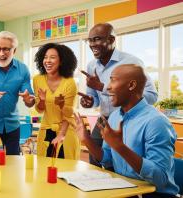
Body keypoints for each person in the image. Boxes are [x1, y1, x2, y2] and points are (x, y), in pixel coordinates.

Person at [74, 64, 179, 198]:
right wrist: (87, 140)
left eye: (113, 80)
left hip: (154, 195)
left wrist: (120, 147)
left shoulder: (156, 122)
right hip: (126, 191)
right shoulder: (114, 116)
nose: (107, 87)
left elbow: (160, 179)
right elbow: (108, 160)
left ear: (131, 85)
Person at [78, 23, 158, 168]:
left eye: (97, 39)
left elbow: (152, 96)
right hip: (103, 120)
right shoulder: (91, 66)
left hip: (126, 121)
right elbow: (94, 99)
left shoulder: (131, 62)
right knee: (94, 162)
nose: (92, 44)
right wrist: (88, 101)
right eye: (90, 40)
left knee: (119, 164)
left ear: (111, 40)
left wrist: (102, 87)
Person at [33, 43, 80, 159]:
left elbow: (68, 115)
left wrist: (61, 134)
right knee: (44, 168)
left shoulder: (69, 82)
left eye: (52, 57)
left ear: (62, 61)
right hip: (46, 131)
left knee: (66, 169)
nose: (47, 61)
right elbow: (39, 110)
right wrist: (42, 100)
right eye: (45, 57)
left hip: (66, 131)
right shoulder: (37, 79)